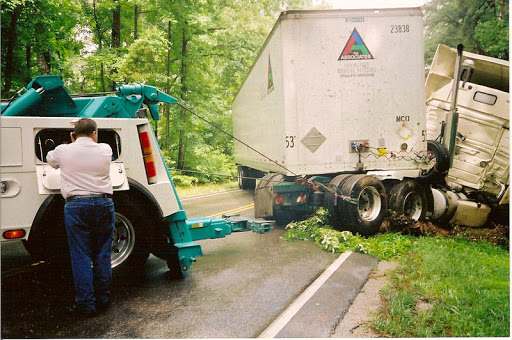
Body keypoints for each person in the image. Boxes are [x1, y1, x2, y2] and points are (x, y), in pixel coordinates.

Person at [47, 117, 115, 317]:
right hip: (104, 204)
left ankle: (86, 305)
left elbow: (50, 160)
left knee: (81, 256)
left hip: (77, 206)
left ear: (72, 135)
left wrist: (70, 143)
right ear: (95, 133)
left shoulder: (63, 150)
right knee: (103, 253)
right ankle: (104, 299)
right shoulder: (105, 149)